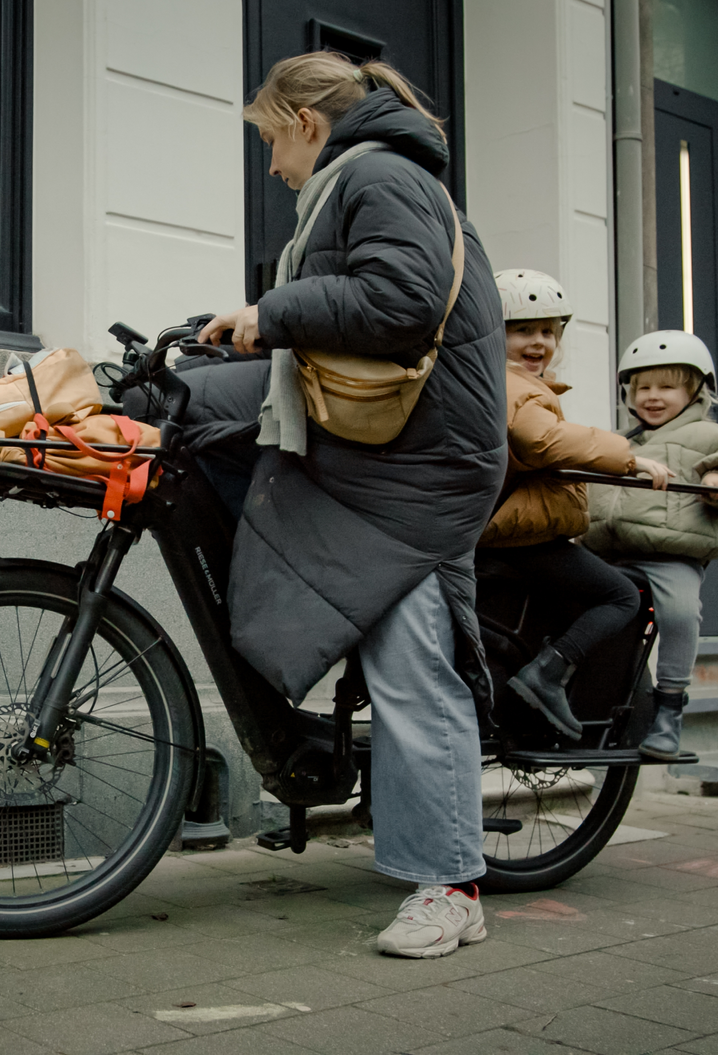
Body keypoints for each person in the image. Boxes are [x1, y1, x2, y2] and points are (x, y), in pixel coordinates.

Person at [186, 52, 508, 959]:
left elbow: (398, 302)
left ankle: (451, 887)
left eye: (271, 141)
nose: (273, 164)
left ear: (307, 122)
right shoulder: (356, 181)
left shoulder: (377, 174)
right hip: (385, 455)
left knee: (412, 665)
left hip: (419, 467)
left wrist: (272, 309)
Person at [478, 270, 674, 738]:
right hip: (519, 535)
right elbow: (541, 440)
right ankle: (548, 673)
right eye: (523, 330)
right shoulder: (511, 385)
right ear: (493, 333)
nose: (538, 342)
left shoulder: (504, 382)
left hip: (509, 527)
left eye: (548, 331)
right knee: (622, 595)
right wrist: (629, 460)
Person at [582, 331, 718, 757]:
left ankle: (670, 707)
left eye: (666, 387)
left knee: (681, 612)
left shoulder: (710, 435)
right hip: (609, 553)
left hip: (670, 558)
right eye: (642, 386)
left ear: (696, 391)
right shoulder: (621, 442)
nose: (652, 396)